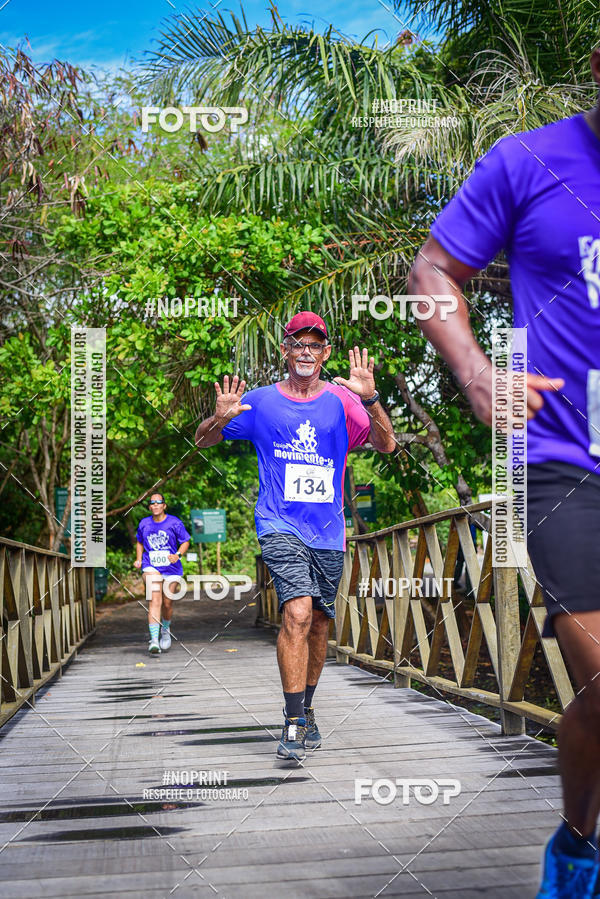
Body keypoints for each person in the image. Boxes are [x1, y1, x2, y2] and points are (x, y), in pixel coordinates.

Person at [409, 44, 600, 899]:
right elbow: (431, 272)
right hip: (561, 462)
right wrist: (478, 373)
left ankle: (576, 834)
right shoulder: (528, 161)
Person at [195, 311, 396, 760]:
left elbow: (387, 445)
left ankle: (306, 707)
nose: (305, 351)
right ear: (284, 350)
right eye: (297, 344)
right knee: (298, 613)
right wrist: (217, 418)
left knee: (320, 625)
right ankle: (291, 721)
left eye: (314, 345)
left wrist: (373, 398)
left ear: (325, 353)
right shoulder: (262, 401)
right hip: (278, 523)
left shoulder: (344, 401)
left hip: (328, 532)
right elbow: (202, 441)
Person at [134, 493, 191, 654]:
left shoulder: (174, 522)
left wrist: (177, 555)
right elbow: (139, 541)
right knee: (155, 599)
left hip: (172, 568)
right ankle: (153, 640)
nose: (156, 505)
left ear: (164, 506)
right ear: (150, 507)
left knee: (167, 603)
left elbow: (185, 541)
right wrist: (139, 559)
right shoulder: (144, 523)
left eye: (159, 502)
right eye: (152, 503)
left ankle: (165, 630)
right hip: (150, 565)